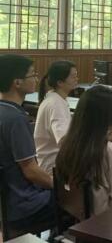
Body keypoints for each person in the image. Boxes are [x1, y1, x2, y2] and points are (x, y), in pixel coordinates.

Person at [56, 86, 112, 216]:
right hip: (108, 222)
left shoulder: (68, 143)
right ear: (109, 115)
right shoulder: (110, 152)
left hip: (81, 219)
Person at [0, 55, 54, 230]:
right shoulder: (16, 119)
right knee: (82, 199)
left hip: (6, 203)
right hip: (24, 205)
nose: (36, 79)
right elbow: (31, 171)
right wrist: (59, 185)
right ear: (17, 82)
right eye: (32, 74)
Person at [34, 60, 78, 175]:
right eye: (73, 76)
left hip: (55, 164)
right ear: (60, 82)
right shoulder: (56, 104)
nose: (76, 79)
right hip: (54, 167)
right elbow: (63, 140)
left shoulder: (55, 99)